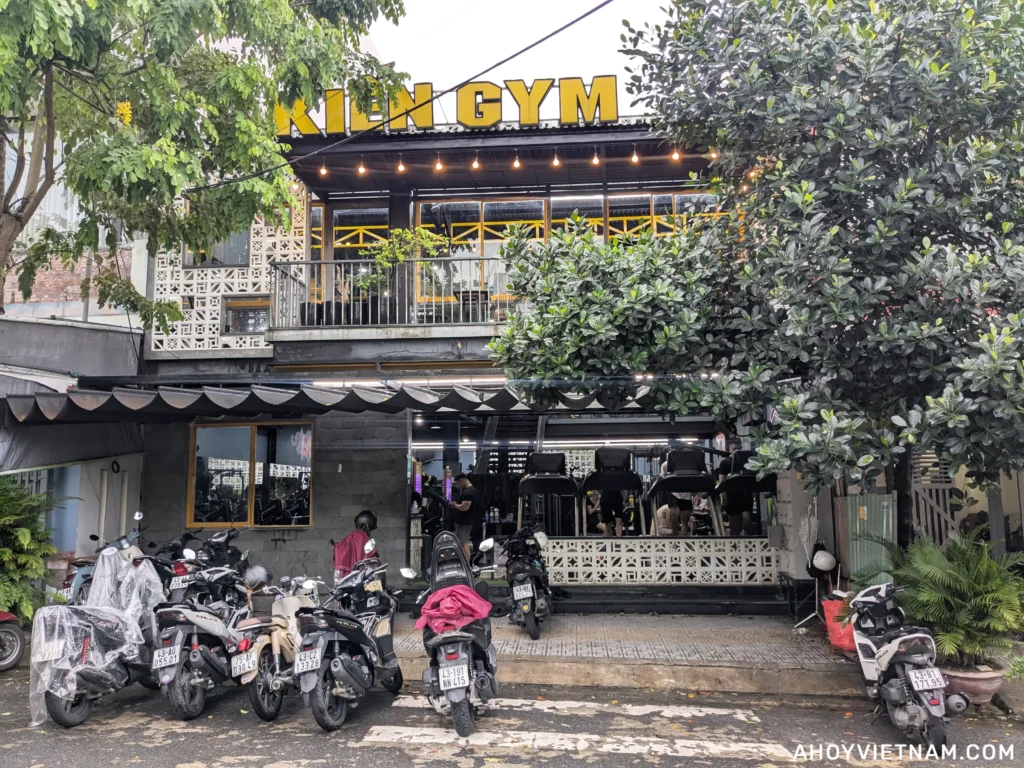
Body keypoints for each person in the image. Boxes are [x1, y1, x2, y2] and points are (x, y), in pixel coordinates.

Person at [717, 440, 754, 536]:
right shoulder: (725, 462)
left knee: (747, 520)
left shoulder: (746, 461)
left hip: (745, 494)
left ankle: (747, 540)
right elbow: (721, 479)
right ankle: (734, 544)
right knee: (735, 524)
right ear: (730, 447)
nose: (737, 450)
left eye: (739, 448)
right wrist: (723, 496)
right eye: (735, 448)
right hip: (732, 495)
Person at [332, 510, 378, 581]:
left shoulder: (351, 536)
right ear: (365, 525)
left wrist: (336, 545)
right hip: (362, 577)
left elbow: (341, 548)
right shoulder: (363, 537)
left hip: (348, 578)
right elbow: (373, 554)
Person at [449, 473, 483, 559]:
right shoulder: (472, 490)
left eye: (458, 483)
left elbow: (464, 507)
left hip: (464, 522)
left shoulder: (468, 492)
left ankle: (466, 564)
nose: (458, 485)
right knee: (462, 543)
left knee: (464, 543)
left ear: (462, 480)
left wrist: (455, 505)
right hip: (466, 521)